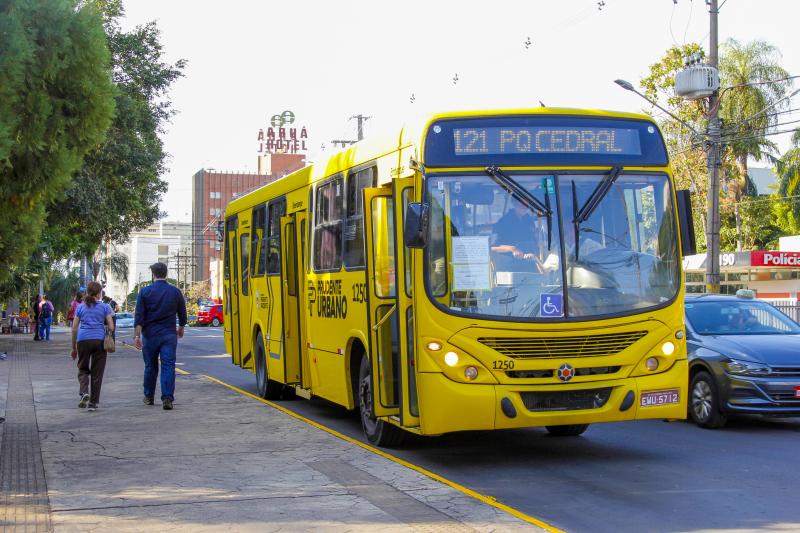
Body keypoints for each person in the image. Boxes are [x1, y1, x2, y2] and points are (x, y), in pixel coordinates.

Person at [134, 262, 187, 410]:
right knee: (168, 365)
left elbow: (139, 317)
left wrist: (137, 337)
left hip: (150, 335)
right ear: (166, 273)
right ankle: (167, 398)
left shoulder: (145, 292)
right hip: (169, 335)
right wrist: (181, 327)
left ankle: (149, 396)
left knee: (150, 366)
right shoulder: (175, 291)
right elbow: (182, 313)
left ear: (153, 274)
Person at [71, 281, 114, 411]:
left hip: (83, 340)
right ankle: (93, 403)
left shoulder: (80, 307)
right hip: (99, 341)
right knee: (97, 373)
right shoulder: (105, 307)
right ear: (99, 293)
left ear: (88, 292)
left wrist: (73, 348)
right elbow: (111, 326)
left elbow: (74, 329)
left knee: (83, 369)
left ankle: (84, 393)